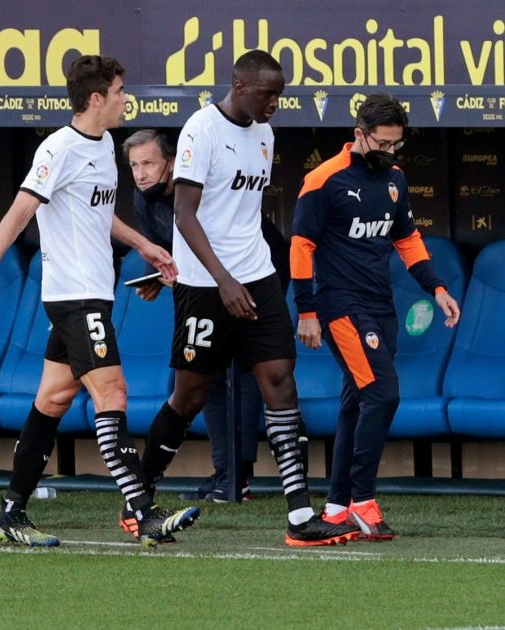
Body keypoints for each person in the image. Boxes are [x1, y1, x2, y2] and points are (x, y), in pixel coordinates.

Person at [0, 55, 199, 549]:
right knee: (112, 394)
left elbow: (97, 213)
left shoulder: (106, 144)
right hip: (74, 297)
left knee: (52, 400)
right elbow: (20, 211)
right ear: (96, 98)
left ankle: (11, 513)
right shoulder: (58, 148)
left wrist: (143, 244)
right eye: (119, 91)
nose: (125, 99)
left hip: (95, 293)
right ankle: (143, 512)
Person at [135, 50, 360, 547]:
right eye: (267, 94)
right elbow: (185, 215)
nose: (275, 103)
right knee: (189, 395)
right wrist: (223, 280)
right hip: (205, 284)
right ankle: (139, 500)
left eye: (280, 94)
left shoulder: (264, 132)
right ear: (239, 86)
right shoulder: (201, 130)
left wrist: (246, 275)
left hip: (257, 276)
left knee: (280, 383)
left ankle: (300, 515)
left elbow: (242, 212)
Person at [291, 92, 461, 539]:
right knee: (383, 395)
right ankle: (363, 501)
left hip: (381, 306)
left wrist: (437, 288)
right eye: (382, 143)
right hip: (340, 306)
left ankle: (335, 508)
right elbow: (301, 246)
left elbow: (406, 239)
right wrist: (306, 310)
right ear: (359, 134)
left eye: (395, 144)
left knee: (357, 401)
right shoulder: (324, 179)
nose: (389, 151)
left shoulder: (395, 178)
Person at [120, 129, 290, 506]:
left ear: (171, 163)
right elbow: (167, 248)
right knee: (204, 375)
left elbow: (225, 243)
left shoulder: (200, 189)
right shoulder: (144, 199)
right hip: (204, 284)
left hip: (257, 272)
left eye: (149, 163)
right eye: (134, 166)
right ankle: (225, 472)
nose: (141, 174)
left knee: (249, 368)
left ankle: (240, 476)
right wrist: (156, 277)